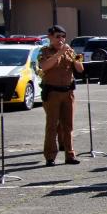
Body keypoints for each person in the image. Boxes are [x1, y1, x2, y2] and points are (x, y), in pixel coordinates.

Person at [38, 25, 84, 166]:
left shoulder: (69, 51)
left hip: (68, 92)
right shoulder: (44, 51)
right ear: (50, 37)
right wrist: (59, 54)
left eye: (63, 36)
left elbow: (80, 69)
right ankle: (50, 156)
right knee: (52, 125)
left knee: (68, 125)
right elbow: (44, 66)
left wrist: (74, 59)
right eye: (58, 36)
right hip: (52, 92)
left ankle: (70, 155)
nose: (61, 39)